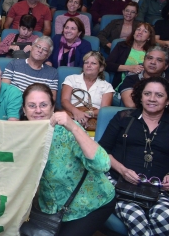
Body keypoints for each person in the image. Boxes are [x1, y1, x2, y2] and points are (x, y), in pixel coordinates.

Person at [22, 83, 116, 236]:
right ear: (25, 110)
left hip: (91, 204)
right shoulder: (22, 134)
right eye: (32, 106)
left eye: (43, 105)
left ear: (53, 108)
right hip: (51, 208)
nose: (38, 110)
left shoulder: (67, 132)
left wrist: (73, 126)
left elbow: (103, 165)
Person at [98, 77, 169, 235]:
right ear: (140, 96)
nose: (152, 98)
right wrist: (122, 170)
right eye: (147, 93)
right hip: (121, 184)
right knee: (137, 222)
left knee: (164, 219)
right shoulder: (124, 118)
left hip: (159, 190)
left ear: (167, 100)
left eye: (159, 95)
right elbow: (101, 152)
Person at [61, 51, 113, 123]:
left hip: (94, 120)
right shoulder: (71, 79)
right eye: (86, 62)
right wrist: (77, 112)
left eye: (93, 63)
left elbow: (104, 110)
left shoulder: (107, 86)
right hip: (71, 116)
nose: (88, 65)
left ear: (101, 68)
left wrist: (87, 114)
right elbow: (64, 101)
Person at [107, 22, 155, 88]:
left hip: (145, 85)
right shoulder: (121, 46)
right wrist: (129, 68)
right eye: (138, 29)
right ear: (133, 33)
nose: (140, 32)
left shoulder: (153, 51)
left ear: (149, 38)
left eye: (145, 31)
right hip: (122, 85)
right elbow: (108, 65)